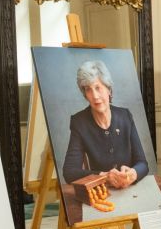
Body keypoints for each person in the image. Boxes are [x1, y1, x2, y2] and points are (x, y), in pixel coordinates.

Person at [62, 59, 148, 188]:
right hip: (102, 192)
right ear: (85, 94)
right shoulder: (79, 122)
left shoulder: (125, 116)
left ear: (109, 89)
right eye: (88, 90)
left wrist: (132, 174)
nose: (95, 96)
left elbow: (142, 164)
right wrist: (104, 176)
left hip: (129, 189)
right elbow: (69, 172)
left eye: (98, 88)